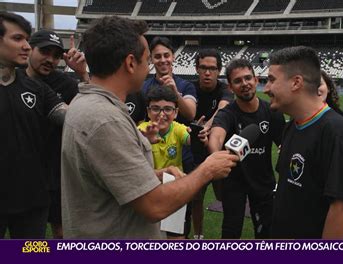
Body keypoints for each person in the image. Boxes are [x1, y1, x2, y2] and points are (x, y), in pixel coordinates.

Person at [61, 16, 238, 239]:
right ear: (130, 63)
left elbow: (107, 178)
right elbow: (155, 206)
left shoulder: (88, 104)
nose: (150, 67)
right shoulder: (106, 120)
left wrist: (154, 175)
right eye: (147, 59)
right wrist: (207, 170)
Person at [264, 46, 343, 239]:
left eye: (271, 80)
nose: (266, 88)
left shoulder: (337, 131)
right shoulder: (292, 126)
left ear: (296, 82)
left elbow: (341, 208)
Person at [0, 11, 66, 239]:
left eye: (27, 39)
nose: (26, 46)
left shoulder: (37, 88)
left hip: (33, 200)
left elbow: (68, 117)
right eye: (18, 39)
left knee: (33, 255)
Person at [208, 58, 285, 239]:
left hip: (263, 183)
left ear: (256, 80)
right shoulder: (227, 114)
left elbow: (284, 142)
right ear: (230, 87)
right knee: (231, 233)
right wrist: (215, 153)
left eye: (247, 78)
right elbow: (216, 136)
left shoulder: (272, 112)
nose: (244, 84)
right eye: (237, 81)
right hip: (234, 183)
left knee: (266, 233)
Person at [24, 29, 88, 239]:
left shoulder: (65, 84)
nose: (50, 59)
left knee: (61, 233)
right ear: (30, 49)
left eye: (56, 55)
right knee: (28, 237)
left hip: (56, 171)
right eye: (44, 52)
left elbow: (90, 111)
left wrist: (82, 74)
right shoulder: (12, 80)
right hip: (21, 172)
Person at [137, 85, 195, 239]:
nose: (161, 114)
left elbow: (190, 140)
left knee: (175, 237)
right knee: (149, 237)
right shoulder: (141, 130)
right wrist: (144, 141)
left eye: (168, 109)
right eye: (156, 109)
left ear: (176, 113)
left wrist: (197, 134)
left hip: (173, 190)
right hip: (149, 192)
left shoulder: (177, 129)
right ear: (148, 111)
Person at [191, 48, 234, 239]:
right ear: (196, 69)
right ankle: (198, 237)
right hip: (194, 154)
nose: (207, 72)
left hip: (218, 153)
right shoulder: (190, 89)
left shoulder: (225, 90)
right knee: (196, 198)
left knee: (223, 197)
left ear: (219, 71)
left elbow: (223, 107)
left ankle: (228, 235)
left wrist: (209, 124)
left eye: (212, 68)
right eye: (203, 68)